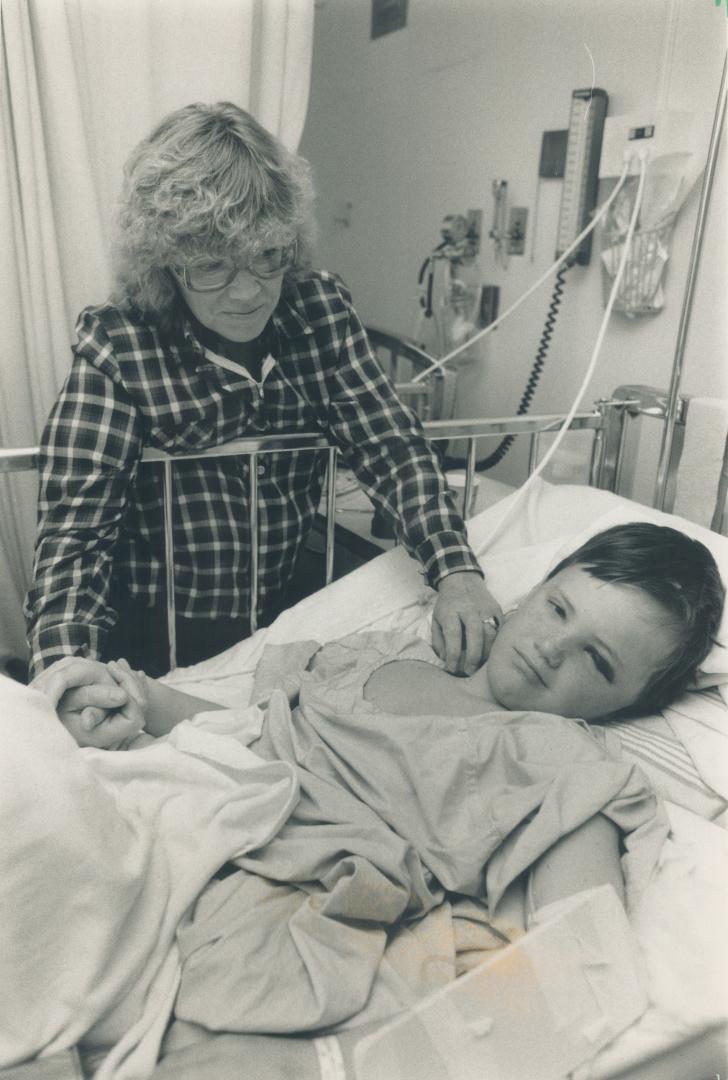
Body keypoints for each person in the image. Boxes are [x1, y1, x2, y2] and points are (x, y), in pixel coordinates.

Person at [26, 522, 724, 1076]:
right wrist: (138, 699)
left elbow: (588, 970)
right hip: (182, 817)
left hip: (258, 905)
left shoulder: (565, 761)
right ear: (531, 590)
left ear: (635, 703)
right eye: (559, 608)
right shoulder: (387, 653)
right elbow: (254, 726)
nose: (551, 648)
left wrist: (317, 1065)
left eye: (597, 661)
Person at [24, 101, 500, 683]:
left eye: (267, 256)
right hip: (153, 632)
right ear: (165, 264)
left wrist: (456, 570)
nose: (247, 291)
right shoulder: (119, 343)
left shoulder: (318, 310)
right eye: (211, 267)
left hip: (281, 614)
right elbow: (75, 537)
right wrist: (67, 672)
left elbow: (390, 445)